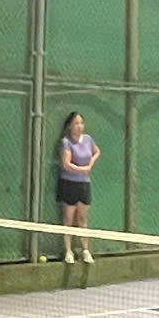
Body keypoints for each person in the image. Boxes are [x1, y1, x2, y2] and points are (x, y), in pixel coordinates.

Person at [55, 111, 98, 262]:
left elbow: (97, 152)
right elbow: (66, 164)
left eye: (81, 123)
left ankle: (85, 250)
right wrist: (82, 170)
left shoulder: (88, 139)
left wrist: (90, 165)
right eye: (76, 123)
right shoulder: (66, 142)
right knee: (68, 218)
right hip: (69, 184)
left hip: (84, 184)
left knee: (82, 218)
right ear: (69, 126)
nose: (79, 126)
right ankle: (68, 251)